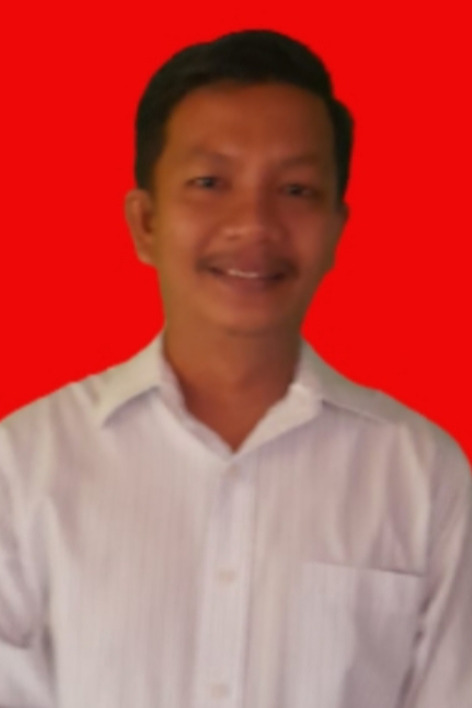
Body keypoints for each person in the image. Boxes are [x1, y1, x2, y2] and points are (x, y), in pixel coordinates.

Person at [0, 28, 471, 708]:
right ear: (145, 221)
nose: (253, 223)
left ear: (337, 228)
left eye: (296, 189)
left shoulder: (421, 476)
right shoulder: (25, 465)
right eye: (210, 182)